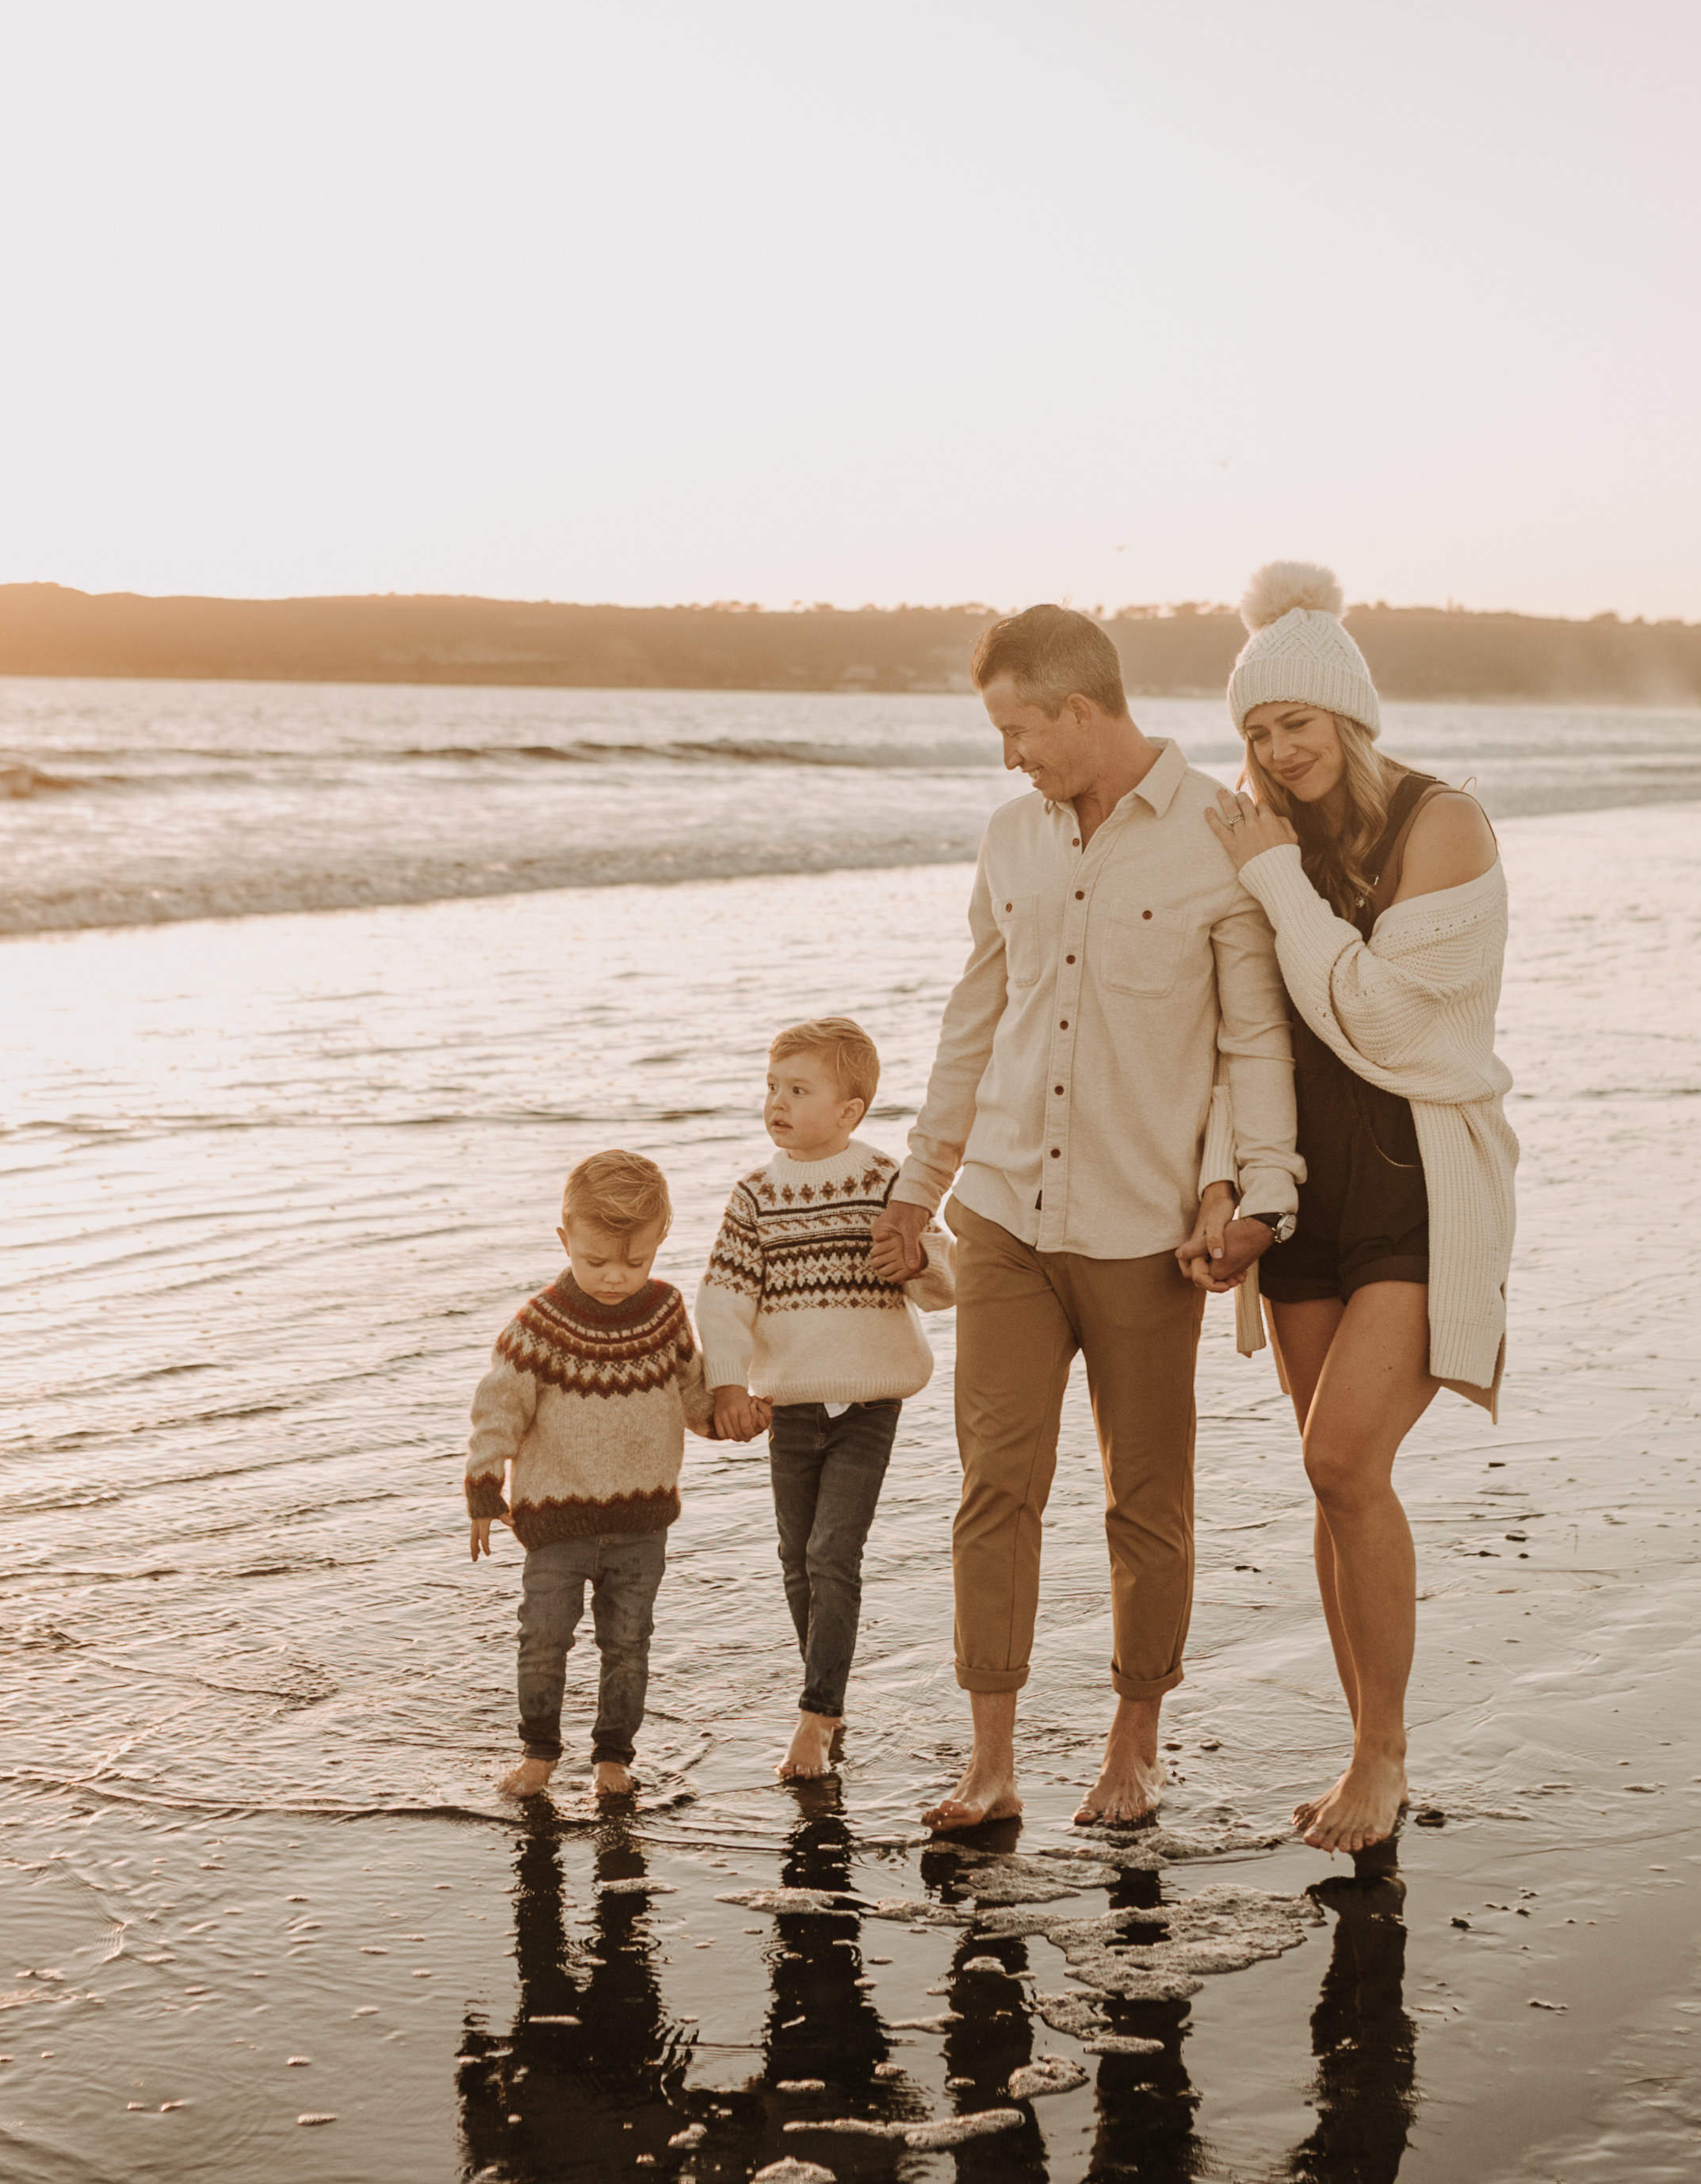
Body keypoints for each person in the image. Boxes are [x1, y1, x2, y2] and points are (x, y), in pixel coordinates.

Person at [873, 603, 1304, 1831]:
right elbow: (973, 1018)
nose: (1009, 755)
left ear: (1079, 708)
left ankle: (1134, 1745)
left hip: (1144, 1232)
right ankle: (991, 1763)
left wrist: (1258, 1189)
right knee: (992, 1488)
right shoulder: (1011, 839)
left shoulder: (1222, 842)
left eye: (1019, 730)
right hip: (1005, 1214)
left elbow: (1252, 1038)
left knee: (1144, 1497)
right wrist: (919, 1184)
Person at [1189, 562, 1519, 1856]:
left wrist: (1274, 877)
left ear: (1349, 716)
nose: (1276, 750)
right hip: (1305, 1189)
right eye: (1257, 732)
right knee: (1334, 1483)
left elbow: (1386, 1020)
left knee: (1343, 1458)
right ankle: (1360, 1749)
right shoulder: (1260, 833)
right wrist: (1226, 1177)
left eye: (1296, 724)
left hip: (1419, 1178)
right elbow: (1246, 1027)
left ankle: (1383, 1755)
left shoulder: (1443, 823)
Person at [698, 1016, 955, 1783]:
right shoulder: (755, 1196)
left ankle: (815, 1714)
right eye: (772, 1087)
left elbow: (945, 1278)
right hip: (793, 1405)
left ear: (849, 1110)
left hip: (870, 1402)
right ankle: (830, 1700)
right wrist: (727, 1384)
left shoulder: (885, 1181)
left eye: (798, 1090)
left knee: (830, 1553)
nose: (777, 1102)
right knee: (795, 1561)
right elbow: (724, 1298)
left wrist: (912, 1261)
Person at [466, 1148, 723, 1800]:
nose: (615, 1277)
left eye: (635, 1262)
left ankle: (613, 1758)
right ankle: (539, 1754)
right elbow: (499, 1409)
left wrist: (736, 1415)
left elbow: (693, 1397)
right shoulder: (538, 1328)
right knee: (544, 1639)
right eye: (596, 1260)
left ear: (661, 1241)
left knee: (628, 1642)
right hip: (557, 1523)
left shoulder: (665, 1313)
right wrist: (483, 1485)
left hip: (642, 1524)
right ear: (565, 1239)